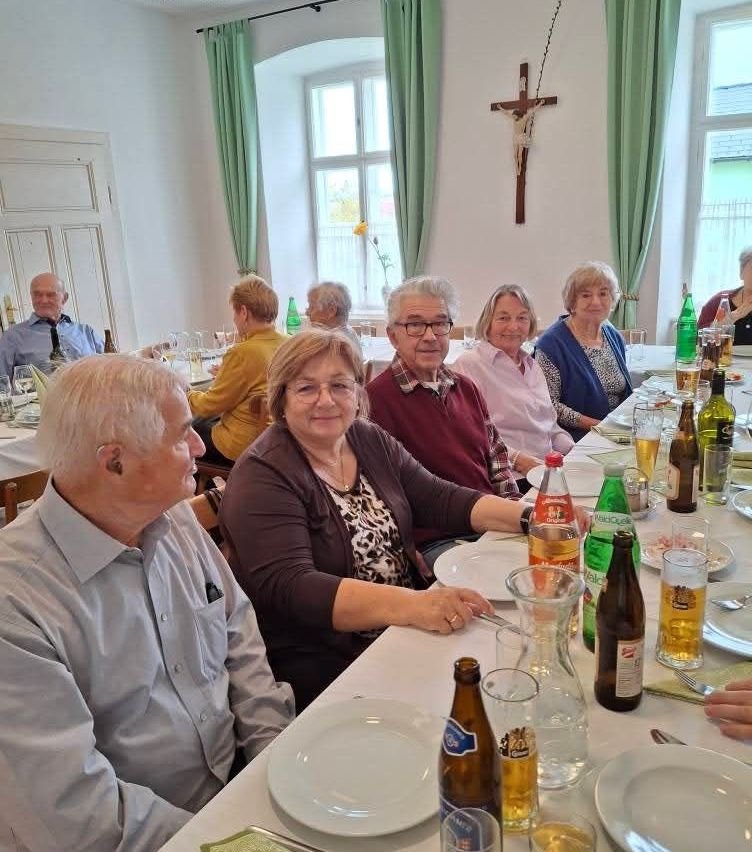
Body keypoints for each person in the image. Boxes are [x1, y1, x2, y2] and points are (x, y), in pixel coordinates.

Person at [0, 355, 294, 851]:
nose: (200, 445)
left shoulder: (173, 518)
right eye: (182, 435)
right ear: (114, 461)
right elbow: (77, 818)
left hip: (240, 790)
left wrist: (275, 762)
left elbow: (238, 634)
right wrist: (226, 841)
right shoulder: (16, 603)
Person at [220, 330, 585, 711]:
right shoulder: (263, 475)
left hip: (403, 630)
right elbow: (293, 587)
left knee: (520, 674)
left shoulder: (364, 438)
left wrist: (537, 517)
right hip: (331, 664)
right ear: (280, 399)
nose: (326, 400)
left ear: (357, 393)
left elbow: (439, 498)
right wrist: (414, 605)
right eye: (306, 388)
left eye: (339, 385)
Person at [366, 276, 521, 562]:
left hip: (493, 524)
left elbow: (497, 460)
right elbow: (381, 494)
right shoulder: (376, 401)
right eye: (414, 325)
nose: (429, 336)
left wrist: (513, 511)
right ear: (393, 336)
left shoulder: (467, 388)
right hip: (438, 540)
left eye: (439, 324)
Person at [453, 284, 574, 489]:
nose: (513, 326)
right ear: (487, 322)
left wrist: (575, 450)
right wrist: (518, 460)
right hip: (508, 477)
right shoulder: (470, 365)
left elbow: (550, 427)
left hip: (546, 470)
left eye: (522, 318)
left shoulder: (532, 365)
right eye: (503, 318)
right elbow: (468, 435)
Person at [188, 275, 286, 466]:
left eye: (234, 313)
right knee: (203, 422)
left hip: (243, 445)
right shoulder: (288, 342)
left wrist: (187, 394)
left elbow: (209, 405)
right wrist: (225, 375)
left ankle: (198, 482)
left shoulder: (243, 352)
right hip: (279, 438)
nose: (234, 319)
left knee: (190, 430)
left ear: (244, 312)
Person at [535, 261, 632, 442]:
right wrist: (600, 426)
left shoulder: (614, 336)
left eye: (603, 293)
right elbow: (549, 405)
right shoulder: (551, 344)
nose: (596, 302)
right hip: (576, 439)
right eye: (586, 295)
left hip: (618, 432)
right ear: (572, 302)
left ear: (612, 299)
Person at [0, 272, 103, 377]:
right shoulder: (12, 336)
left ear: (64, 298)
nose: (43, 300)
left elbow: (110, 368)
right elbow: (2, 382)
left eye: (51, 294)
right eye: (37, 294)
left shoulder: (86, 332)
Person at [697, 246, 752, 345]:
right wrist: (733, 316)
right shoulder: (720, 301)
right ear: (741, 272)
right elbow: (698, 341)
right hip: (724, 355)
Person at [306, 281, 361, 350]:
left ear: (331, 311)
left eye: (312, 307)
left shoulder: (332, 344)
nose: (307, 313)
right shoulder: (349, 333)